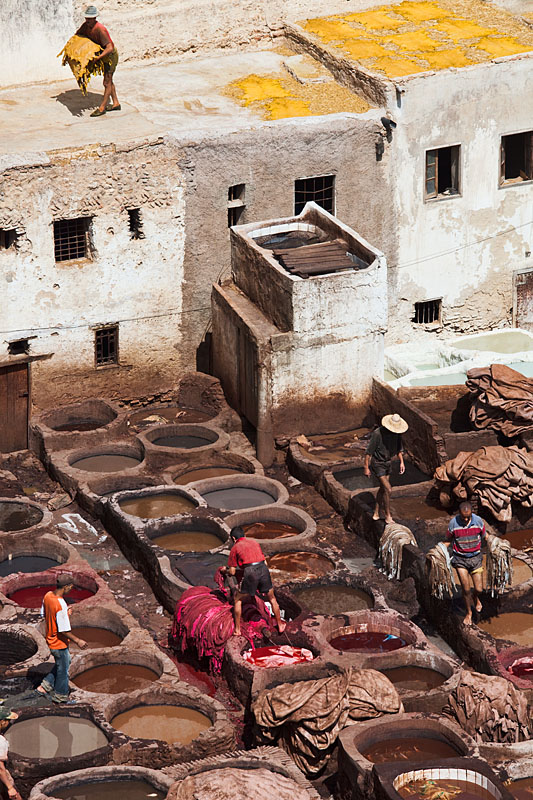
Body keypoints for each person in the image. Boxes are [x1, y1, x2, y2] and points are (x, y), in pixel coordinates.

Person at [222, 527, 286, 637]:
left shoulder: (235, 547)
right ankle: (280, 624)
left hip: (251, 572)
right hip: (263, 569)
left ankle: (237, 630)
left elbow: (232, 572)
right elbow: (264, 562)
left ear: (233, 538)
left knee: (238, 598)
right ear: (244, 535)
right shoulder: (254, 542)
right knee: (272, 598)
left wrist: (225, 570)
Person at [36, 574, 87, 704]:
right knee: (63, 671)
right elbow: (63, 630)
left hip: (50, 639)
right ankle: (60, 698)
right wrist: (78, 640)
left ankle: (45, 686)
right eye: (71, 587)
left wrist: (65, 614)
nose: (71, 589)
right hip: (58, 643)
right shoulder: (61, 604)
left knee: (64, 662)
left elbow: (44, 614)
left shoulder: (48, 595)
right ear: (66, 587)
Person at [446, 500, 486, 626]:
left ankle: (475, 597)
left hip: (475, 558)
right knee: (466, 588)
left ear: (471, 514)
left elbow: (485, 536)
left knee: (478, 588)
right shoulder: (453, 523)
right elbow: (448, 540)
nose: (465, 520)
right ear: (459, 514)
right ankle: (469, 612)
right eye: (463, 517)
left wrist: (496, 543)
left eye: (467, 518)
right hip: (460, 559)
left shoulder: (478, 521)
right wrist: (439, 550)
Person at [76, 6, 120, 117]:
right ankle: (116, 103)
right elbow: (78, 36)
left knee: (106, 82)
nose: (87, 21)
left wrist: (98, 58)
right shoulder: (85, 26)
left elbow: (109, 47)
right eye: (86, 18)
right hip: (101, 55)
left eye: (90, 19)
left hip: (110, 56)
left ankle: (102, 108)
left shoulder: (100, 29)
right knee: (109, 81)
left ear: (95, 18)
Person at [364, 413, 408, 524]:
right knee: (388, 489)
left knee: (383, 489)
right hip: (378, 463)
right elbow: (368, 452)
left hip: (388, 463)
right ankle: (388, 515)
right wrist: (366, 467)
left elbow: (399, 449)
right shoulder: (377, 434)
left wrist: (402, 462)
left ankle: (376, 512)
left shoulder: (397, 434)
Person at [0, 709, 22, 800]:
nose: (9, 723)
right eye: (7, 721)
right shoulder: (0, 741)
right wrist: (10, 787)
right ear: (2, 722)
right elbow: (0, 768)